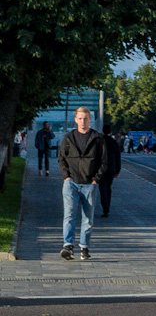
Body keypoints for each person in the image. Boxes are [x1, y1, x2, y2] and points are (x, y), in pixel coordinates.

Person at [58, 107, 107, 260]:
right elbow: (61, 158)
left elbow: (104, 162)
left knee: (88, 218)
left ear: (90, 119)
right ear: (75, 119)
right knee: (69, 215)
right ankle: (68, 245)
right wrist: (66, 176)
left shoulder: (97, 138)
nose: (83, 121)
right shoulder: (69, 138)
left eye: (85, 118)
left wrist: (95, 180)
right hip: (71, 182)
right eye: (80, 118)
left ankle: (84, 247)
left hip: (89, 184)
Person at [98, 127, 123, 218]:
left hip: (101, 168)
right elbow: (117, 157)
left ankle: (104, 207)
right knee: (108, 188)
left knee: (102, 189)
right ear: (111, 131)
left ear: (102, 131)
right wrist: (117, 170)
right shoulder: (114, 142)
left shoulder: (100, 142)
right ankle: (107, 208)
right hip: (111, 168)